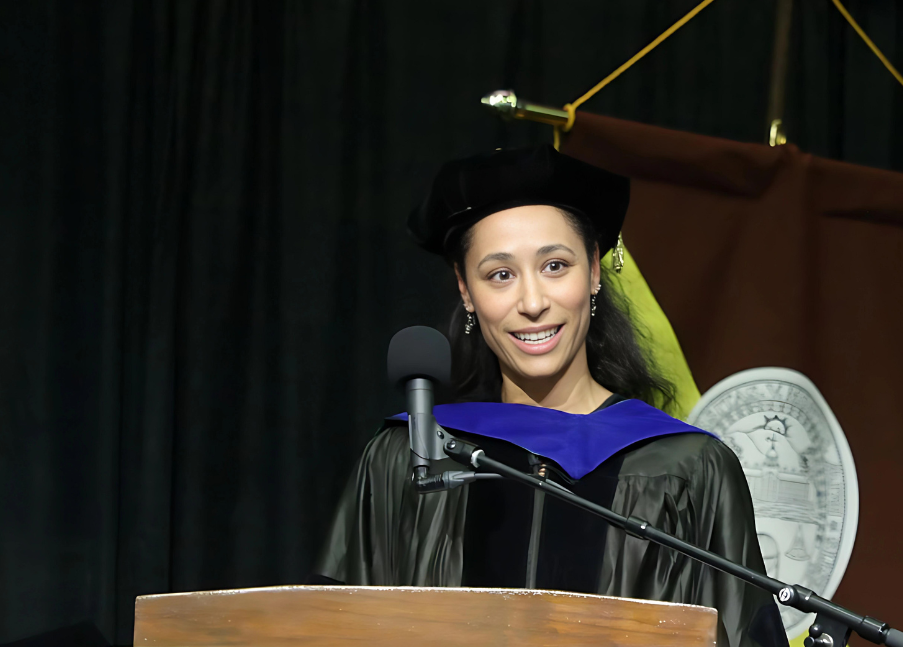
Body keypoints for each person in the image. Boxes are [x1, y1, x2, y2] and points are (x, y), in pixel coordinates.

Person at [312, 146, 785, 647]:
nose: (533, 302)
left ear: (595, 272)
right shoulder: (408, 456)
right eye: (500, 275)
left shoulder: (689, 467)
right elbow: (334, 629)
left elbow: (741, 632)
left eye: (555, 266)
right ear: (466, 291)